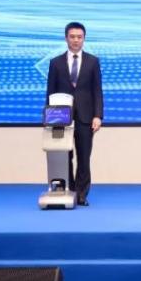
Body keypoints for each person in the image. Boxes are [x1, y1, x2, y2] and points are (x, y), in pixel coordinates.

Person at [45, 22, 102, 206]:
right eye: (72, 37)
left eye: (79, 37)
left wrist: (98, 115)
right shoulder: (56, 62)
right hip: (61, 117)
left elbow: (97, 91)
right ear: (66, 38)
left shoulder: (93, 61)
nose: (76, 40)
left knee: (84, 157)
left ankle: (82, 194)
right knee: (64, 155)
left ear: (84, 39)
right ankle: (69, 189)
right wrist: (48, 117)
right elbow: (50, 91)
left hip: (86, 116)